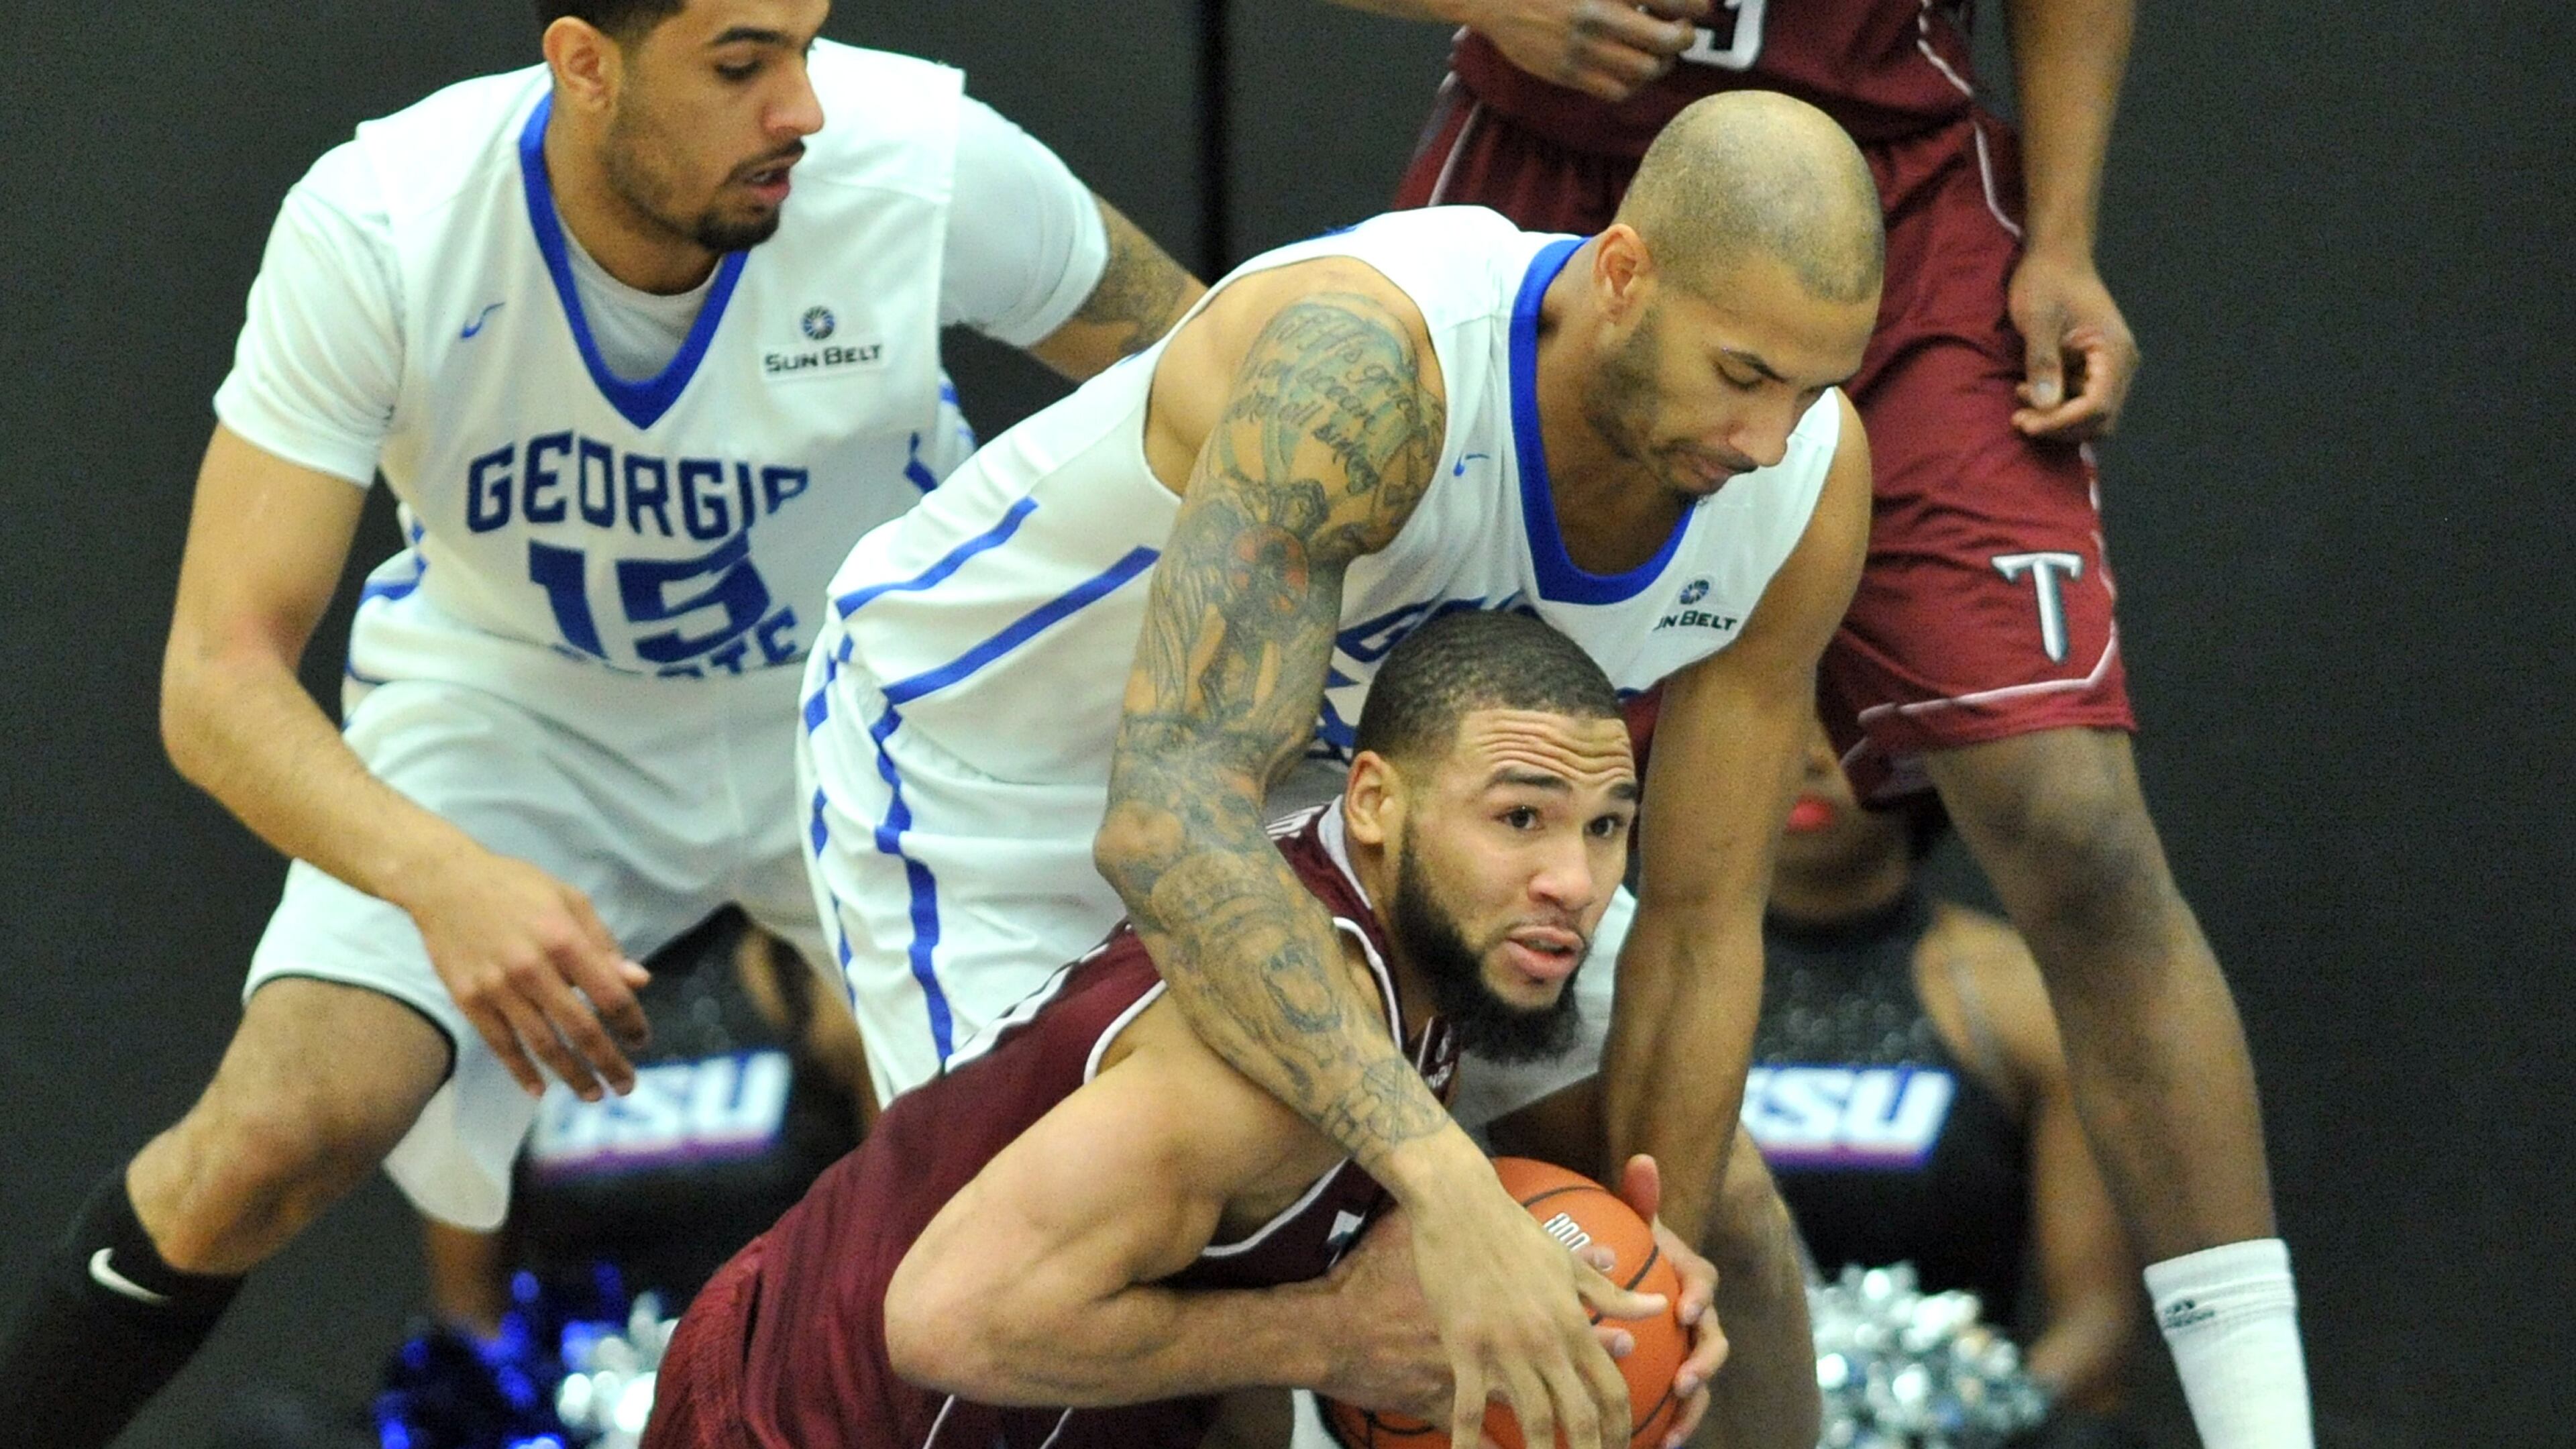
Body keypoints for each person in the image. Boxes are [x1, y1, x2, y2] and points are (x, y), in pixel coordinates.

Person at [0, 2, 1201, 1444]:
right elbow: (215, 678)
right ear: (584, 64)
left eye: (811, 49)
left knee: (1072, 1186)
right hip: (518, 713)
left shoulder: (922, 162)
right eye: (744, 64)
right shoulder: (383, 222)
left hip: (860, 695)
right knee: (269, 1141)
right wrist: (441, 876)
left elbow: (1243, 382)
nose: (803, 109)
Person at [802, 89, 1877, 1449]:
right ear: (1622, 276)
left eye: (1814, 387)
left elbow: (1702, 917)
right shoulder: (1369, 369)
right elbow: (1172, 819)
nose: (1767, 441)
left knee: (1732, 1240)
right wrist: (1449, 1191)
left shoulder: (1804, 486)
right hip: (1001, 780)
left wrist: (1658, 1248)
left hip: (1332, 793)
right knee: (1128, 1299)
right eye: (1739, 375)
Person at [1339, 1, 2314, 1441]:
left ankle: (2267, 1426)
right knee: (1411, 847)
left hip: (1895, 200)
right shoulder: (1362, 338)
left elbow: (1706, 911)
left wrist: (2064, 229)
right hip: (1556, 169)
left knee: (2075, 826)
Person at [649, 611, 1723, 1449]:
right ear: (1375, 803)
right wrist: (1337, 1336)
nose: (1574, 882)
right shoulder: (1257, 1081)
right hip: (799, 1417)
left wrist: (1627, 1287)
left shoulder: (1404, 946)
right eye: (1519, 817)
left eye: (1607, 827)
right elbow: (947, 1321)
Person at [1744, 721, 2141, 1442]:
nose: (1804, 755)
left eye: (1836, 725)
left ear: (1917, 758)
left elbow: (2098, 1328)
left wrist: (1948, 1421)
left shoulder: (2020, 995)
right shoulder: (1641, 993)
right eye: (1782, 720)